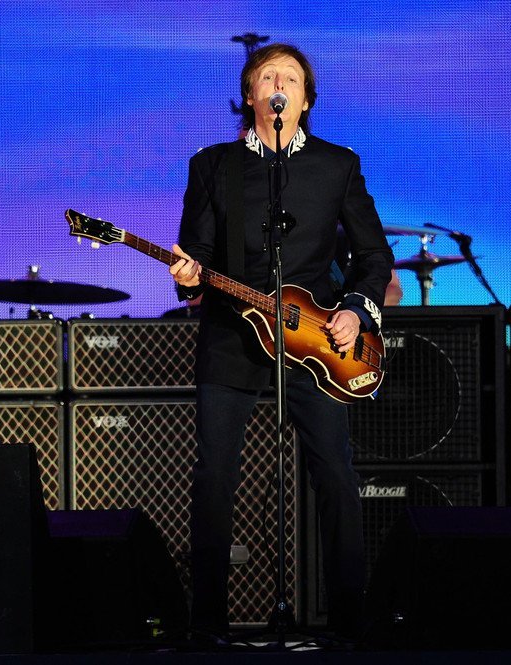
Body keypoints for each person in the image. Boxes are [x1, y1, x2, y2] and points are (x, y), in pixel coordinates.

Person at [168, 43, 394, 640]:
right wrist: (189, 276)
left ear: (306, 100)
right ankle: (207, 625)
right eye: (266, 76)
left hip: (316, 340)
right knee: (214, 475)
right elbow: (199, 252)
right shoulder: (212, 165)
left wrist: (355, 312)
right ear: (250, 96)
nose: (278, 85)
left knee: (335, 475)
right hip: (232, 333)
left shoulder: (337, 164)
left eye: (290, 78)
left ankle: (349, 623)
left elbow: (374, 256)